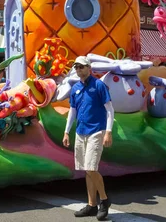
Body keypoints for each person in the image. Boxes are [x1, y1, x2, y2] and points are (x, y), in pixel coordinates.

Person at [63, 56, 114, 220]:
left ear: (89, 68)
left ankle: (104, 200)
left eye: (82, 67)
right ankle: (92, 205)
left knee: (91, 168)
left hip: (96, 131)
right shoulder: (75, 88)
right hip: (80, 131)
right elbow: (72, 111)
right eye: (76, 67)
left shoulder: (99, 85)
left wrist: (108, 131)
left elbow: (110, 110)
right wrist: (66, 131)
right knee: (87, 169)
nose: (79, 70)